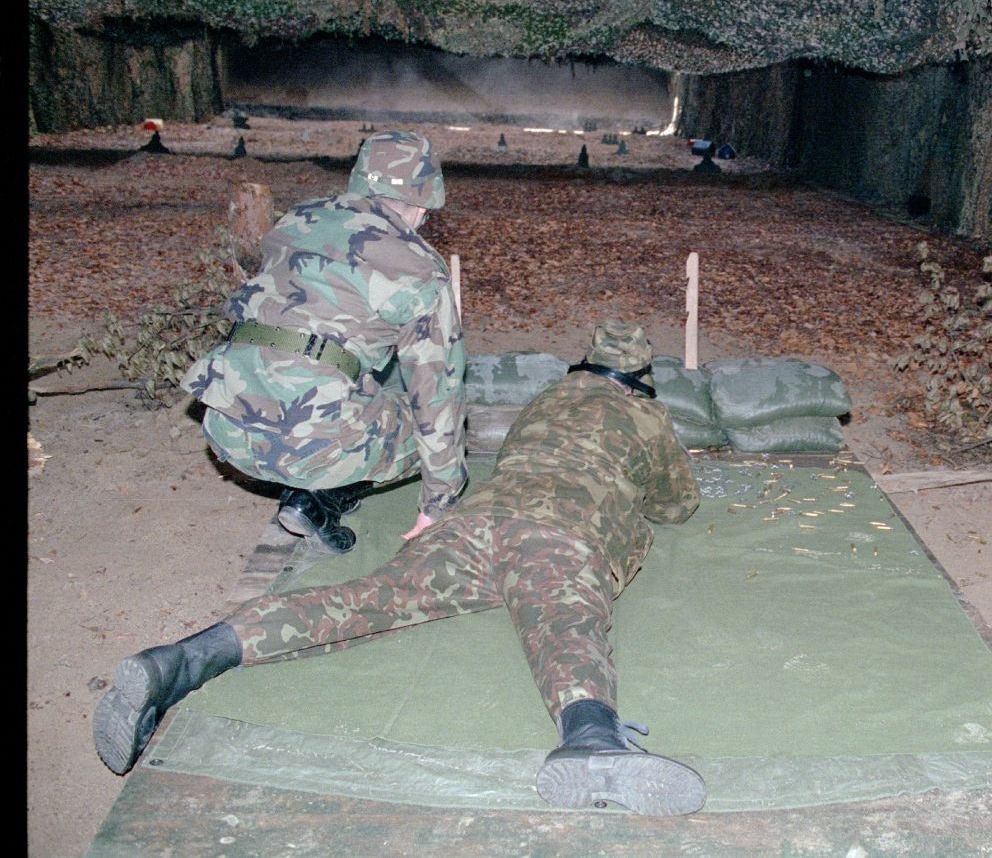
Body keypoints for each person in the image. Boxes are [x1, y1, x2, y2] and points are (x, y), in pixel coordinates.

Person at [95, 320, 709, 816]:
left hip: (474, 526)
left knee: (364, 599)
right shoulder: (646, 417)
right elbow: (679, 504)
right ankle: (592, 738)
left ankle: (184, 658)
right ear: (638, 382)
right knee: (566, 623)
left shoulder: (546, 397)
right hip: (559, 534)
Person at [181, 130, 467, 553]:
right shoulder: (420, 268)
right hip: (307, 444)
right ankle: (316, 497)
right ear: (425, 204)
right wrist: (440, 503)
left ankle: (319, 485)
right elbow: (438, 395)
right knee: (429, 422)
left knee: (360, 382)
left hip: (228, 425)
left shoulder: (298, 218)